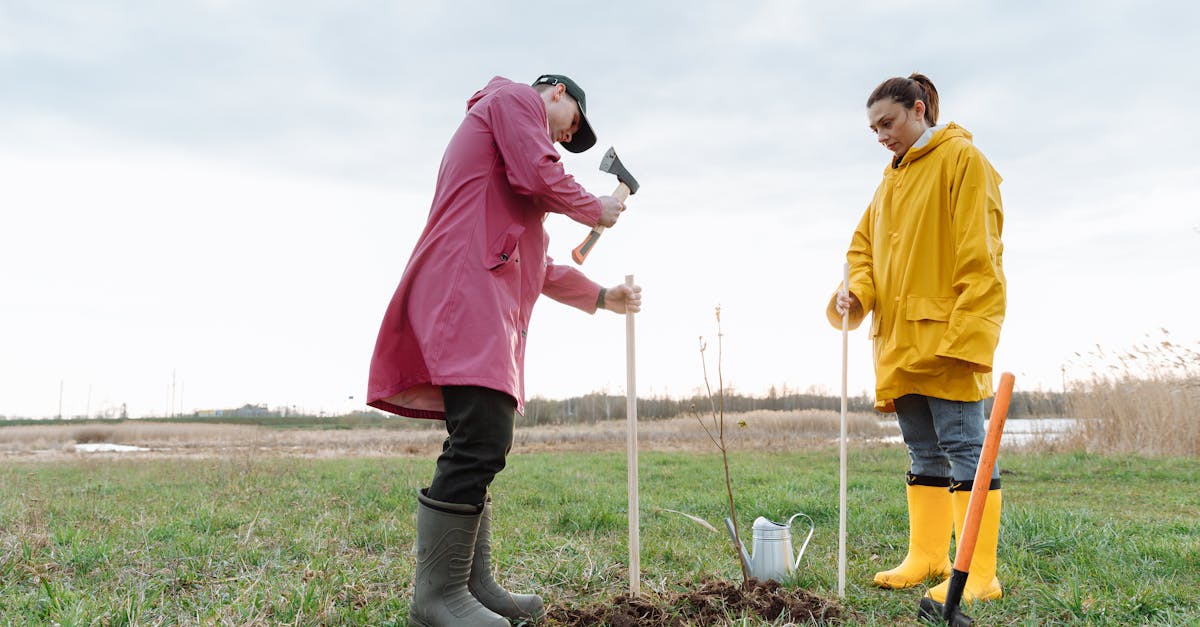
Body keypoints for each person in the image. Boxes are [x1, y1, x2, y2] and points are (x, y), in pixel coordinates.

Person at [366, 73, 642, 626]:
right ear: (557, 93)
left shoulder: (513, 179)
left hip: (483, 299)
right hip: (466, 291)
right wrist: (595, 207)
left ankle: (472, 585)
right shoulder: (514, 100)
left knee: (481, 436)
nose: (564, 140)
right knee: (482, 436)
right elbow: (540, 172)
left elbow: (535, 265)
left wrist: (601, 297)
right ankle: (438, 598)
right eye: (571, 129)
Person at [826, 73, 1006, 604]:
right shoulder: (889, 182)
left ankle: (978, 573)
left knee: (965, 450)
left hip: (949, 337)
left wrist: (970, 336)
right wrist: (854, 295)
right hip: (898, 343)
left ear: (920, 109)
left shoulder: (963, 162)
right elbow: (860, 251)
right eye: (874, 129)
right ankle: (926, 557)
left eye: (889, 122)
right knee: (922, 451)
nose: (882, 136)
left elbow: (983, 255)